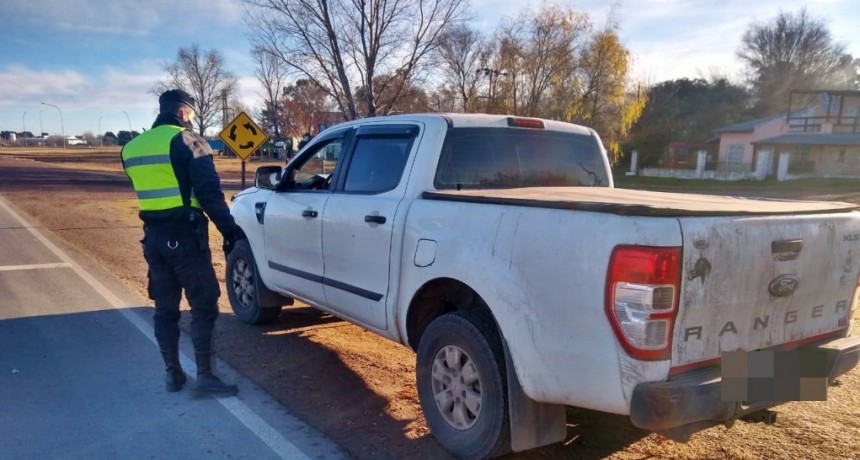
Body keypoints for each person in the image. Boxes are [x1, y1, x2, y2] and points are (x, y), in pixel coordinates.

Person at [121, 89, 239, 395]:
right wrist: (231, 233)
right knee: (203, 303)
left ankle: (173, 374)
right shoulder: (189, 140)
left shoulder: (131, 148)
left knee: (165, 307)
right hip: (185, 238)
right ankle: (206, 375)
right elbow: (210, 194)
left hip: (154, 240)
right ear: (185, 112)